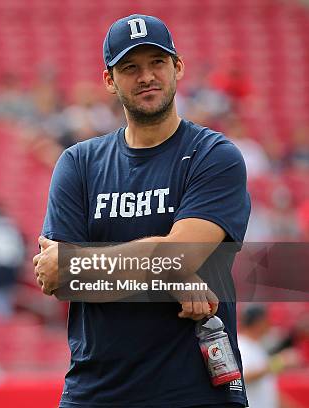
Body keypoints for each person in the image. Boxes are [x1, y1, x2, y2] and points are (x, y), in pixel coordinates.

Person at [33, 14, 251, 407]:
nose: (146, 76)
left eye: (157, 63)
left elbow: (180, 254)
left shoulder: (214, 156)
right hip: (95, 391)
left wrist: (88, 264)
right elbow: (57, 278)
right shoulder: (79, 163)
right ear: (109, 81)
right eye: (130, 67)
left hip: (194, 391)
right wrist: (173, 279)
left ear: (178, 67)